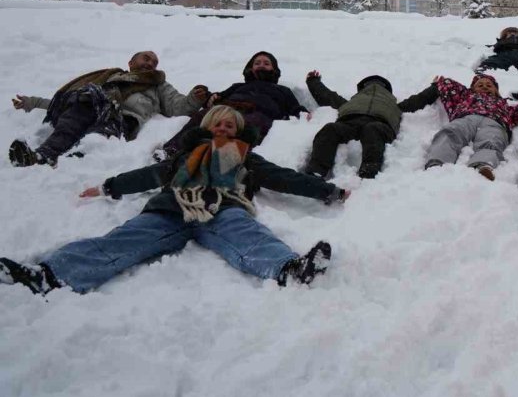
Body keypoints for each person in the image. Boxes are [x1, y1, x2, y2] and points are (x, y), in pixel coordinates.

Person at [0, 106, 348, 296]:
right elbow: (148, 176)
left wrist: (328, 191)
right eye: (218, 124)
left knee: (248, 234)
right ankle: (48, 275)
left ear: (239, 131)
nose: (224, 129)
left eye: (231, 125)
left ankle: (289, 269)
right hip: (170, 209)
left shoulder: (246, 158)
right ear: (208, 126)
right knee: (124, 239)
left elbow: (285, 178)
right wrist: (109, 186)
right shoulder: (183, 158)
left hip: (222, 209)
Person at [9, 50, 207, 167]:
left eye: (154, 62)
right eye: (145, 58)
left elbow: (177, 106)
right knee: (78, 108)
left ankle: (74, 164)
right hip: (93, 107)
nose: (150, 63)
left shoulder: (158, 85)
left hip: (122, 119)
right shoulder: (109, 77)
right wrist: (32, 102)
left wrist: (194, 98)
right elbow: (66, 100)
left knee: (98, 136)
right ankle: (43, 155)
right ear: (130, 63)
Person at [159, 51, 307, 158]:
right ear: (250, 68)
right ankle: (172, 149)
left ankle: (225, 158)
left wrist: (303, 113)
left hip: (259, 113)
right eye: (257, 63)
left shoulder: (282, 90)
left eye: (266, 63)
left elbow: (295, 108)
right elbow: (218, 97)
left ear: (274, 70)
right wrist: (210, 97)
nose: (261, 65)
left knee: (250, 126)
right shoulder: (238, 86)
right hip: (230, 108)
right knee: (203, 116)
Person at [305, 72, 438, 179]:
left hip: (380, 124)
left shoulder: (394, 105)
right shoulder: (352, 102)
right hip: (349, 121)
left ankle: (368, 173)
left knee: (372, 129)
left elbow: (417, 100)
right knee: (330, 129)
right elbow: (328, 97)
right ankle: (316, 172)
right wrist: (313, 81)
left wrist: (435, 88)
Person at [424, 73, 518, 180]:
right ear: (472, 89)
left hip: (494, 122)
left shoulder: (506, 106)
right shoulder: (464, 96)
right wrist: (438, 83)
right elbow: (448, 84)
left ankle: (483, 165)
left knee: (492, 141)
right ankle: (437, 163)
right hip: (466, 118)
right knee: (450, 133)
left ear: (496, 90)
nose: (485, 86)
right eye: (480, 84)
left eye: (489, 85)